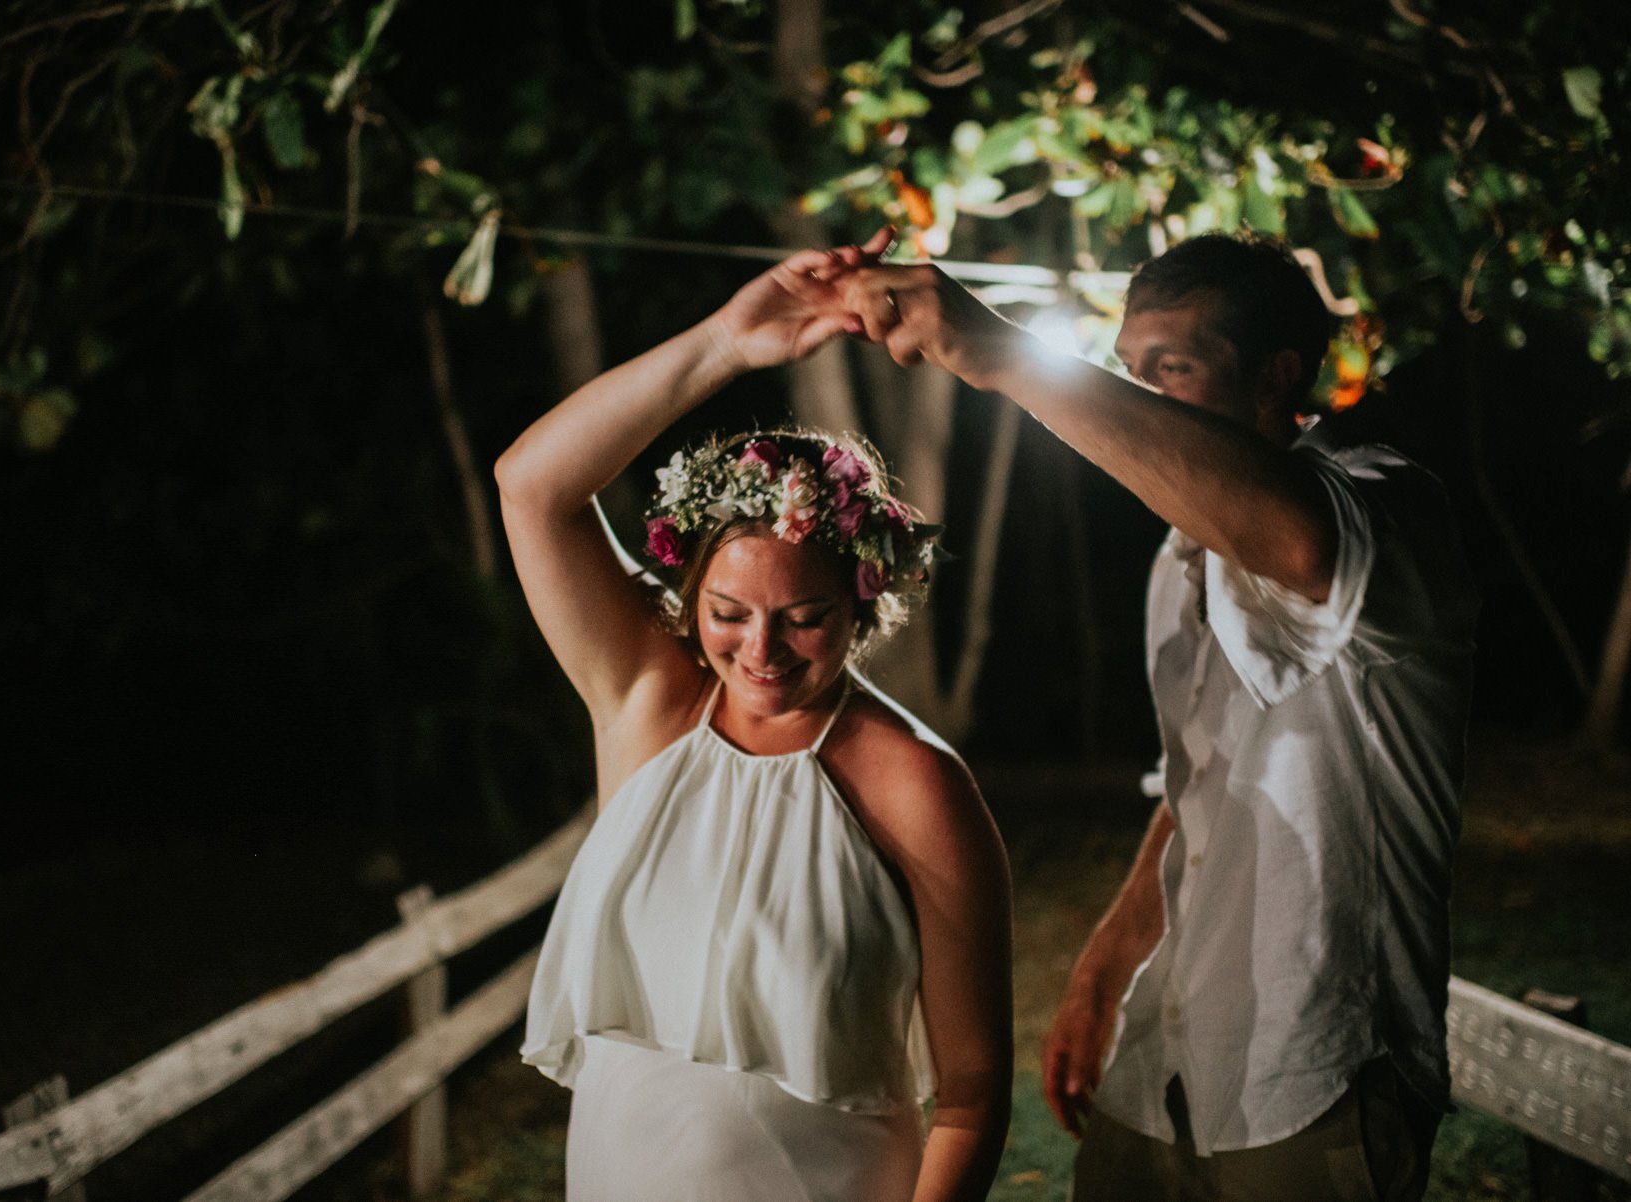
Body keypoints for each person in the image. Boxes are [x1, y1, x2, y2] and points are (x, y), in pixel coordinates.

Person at [831, 231, 1476, 1201]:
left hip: (1323, 1068)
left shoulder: (1387, 505)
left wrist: (998, 351)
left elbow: (1300, 543)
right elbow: (1196, 784)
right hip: (1172, 1058)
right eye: (1128, 372)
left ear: (1276, 377)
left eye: (1169, 369)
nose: (1136, 396)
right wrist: (1105, 965)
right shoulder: (1179, 562)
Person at [496, 236, 1014, 1202]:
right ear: (689, 599)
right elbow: (533, 487)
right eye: (728, 615)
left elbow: (972, 1097)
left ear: (865, 603)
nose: (761, 652)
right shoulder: (649, 703)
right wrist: (727, 343)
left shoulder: (915, 780)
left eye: (805, 618)